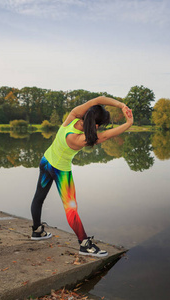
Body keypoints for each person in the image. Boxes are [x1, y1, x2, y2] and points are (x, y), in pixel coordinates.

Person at [30, 96, 133, 257]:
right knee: (71, 209)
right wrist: (128, 124)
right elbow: (105, 136)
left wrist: (121, 105)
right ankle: (84, 244)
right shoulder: (79, 139)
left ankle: (37, 231)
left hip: (45, 161)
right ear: (97, 125)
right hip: (60, 171)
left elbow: (98, 99)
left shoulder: (72, 116)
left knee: (39, 198)